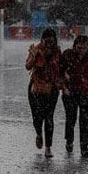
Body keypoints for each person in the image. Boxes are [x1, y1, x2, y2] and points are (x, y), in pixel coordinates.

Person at [60, 35, 88, 158]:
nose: (82, 50)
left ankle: (84, 147)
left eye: (84, 47)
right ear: (75, 46)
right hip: (70, 91)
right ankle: (69, 141)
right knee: (71, 118)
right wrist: (64, 86)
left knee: (85, 120)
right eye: (79, 47)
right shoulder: (67, 54)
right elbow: (60, 71)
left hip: (86, 91)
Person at [25, 28, 62, 158]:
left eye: (52, 41)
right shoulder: (36, 49)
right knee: (37, 116)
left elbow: (60, 68)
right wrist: (34, 55)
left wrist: (62, 82)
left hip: (52, 88)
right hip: (36, 88)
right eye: (46, 41)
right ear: (42, 40)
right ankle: (39, 133)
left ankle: (48, 148)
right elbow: (28, 66)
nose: (49, 44)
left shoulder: (57, 51)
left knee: (49, 117)